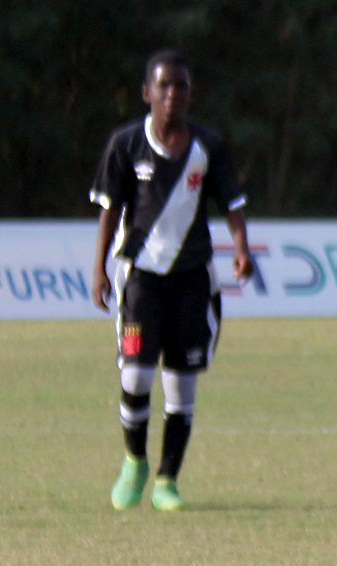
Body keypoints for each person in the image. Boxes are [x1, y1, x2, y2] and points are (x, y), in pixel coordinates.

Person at [89, 51, 253, 513]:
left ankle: (167, 481)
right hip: (141, 280)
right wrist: (99, 267)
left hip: (192, 280)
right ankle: (135, 462)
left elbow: (232, 203)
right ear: (147, 92)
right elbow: (109, 211)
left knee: (181, 386)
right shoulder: (126, 144)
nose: (172, 93)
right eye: (163, 85)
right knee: (136, 375)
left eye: (180, 85)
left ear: (190, 94)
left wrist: (241, 248)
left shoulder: (208, 145)